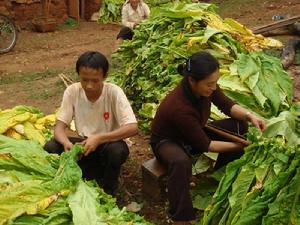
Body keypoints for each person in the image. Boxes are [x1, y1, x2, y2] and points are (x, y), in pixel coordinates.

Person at [150, 51, 266, 225]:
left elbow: (227, 105)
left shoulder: (206, 86)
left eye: (215, 83)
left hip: (194, 132)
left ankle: (220, 177)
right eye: (210, 84)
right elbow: (206, 144)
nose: (214, 87)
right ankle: (180, 216)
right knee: (180, 162)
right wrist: (240, 146)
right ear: (192, 81)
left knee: (239, 126)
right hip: (169, 141)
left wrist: (250, 116)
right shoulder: (179, 107)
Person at [44, 51, 138, 196]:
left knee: (117, 151)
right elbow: (59, 129)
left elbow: (132, 127)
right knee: (51, 146)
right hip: (84, 144)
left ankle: (109, 190)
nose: (89, 86)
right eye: (84, 80)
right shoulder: (72, 91)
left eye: (95, 80)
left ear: (104, 76)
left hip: (107, 144)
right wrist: (65, 143)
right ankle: (78, 178)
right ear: (78, 75)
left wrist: (99, 138)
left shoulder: (114, 92)